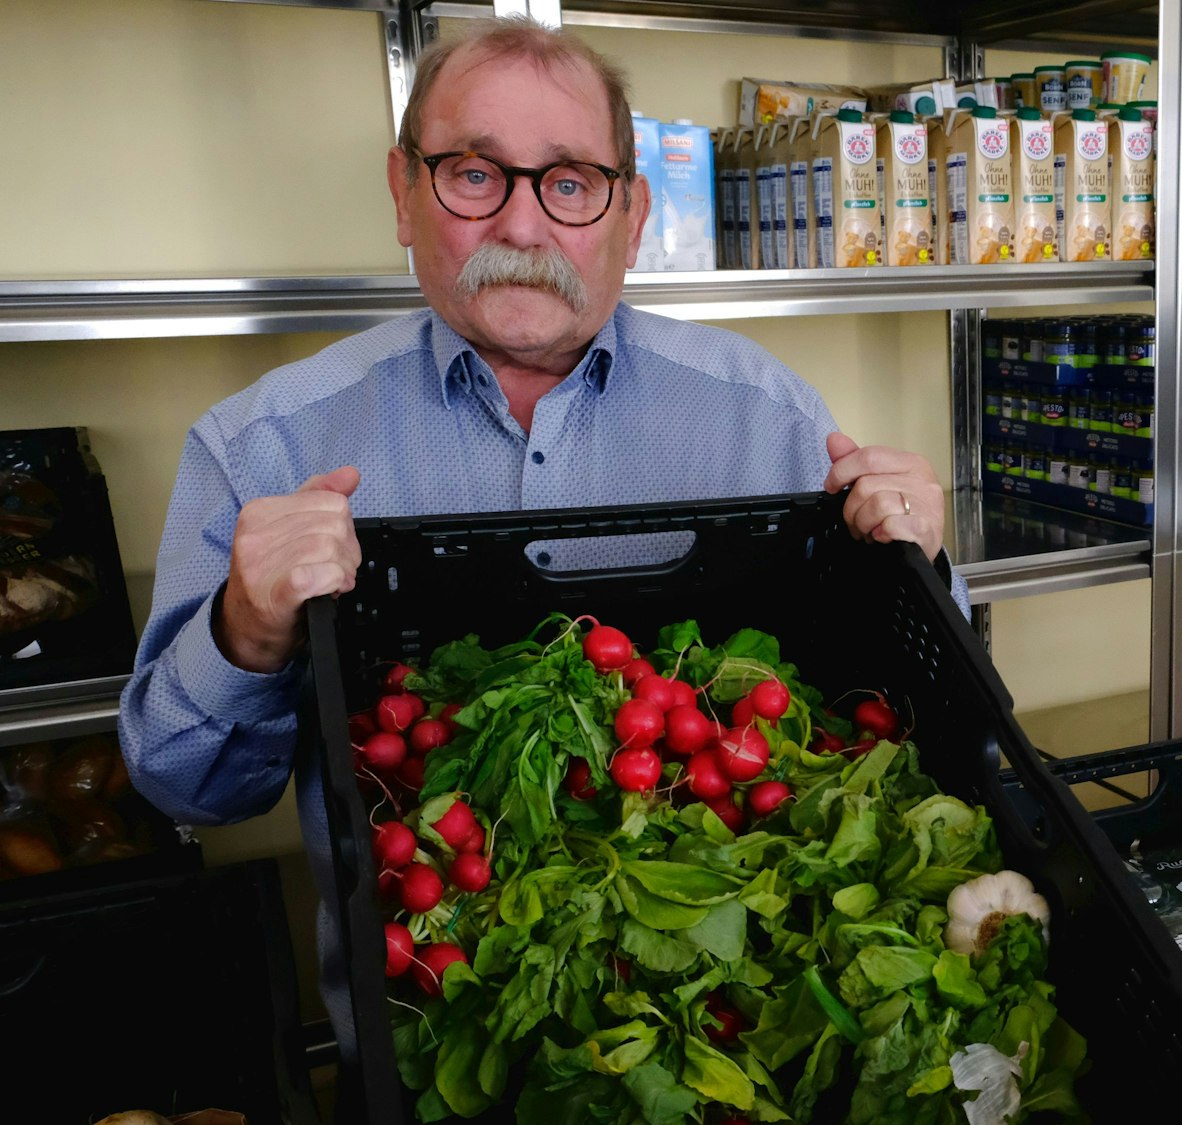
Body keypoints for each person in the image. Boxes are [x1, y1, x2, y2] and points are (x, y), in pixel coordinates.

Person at [117, 16, 958, 1053]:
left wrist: (916, 567)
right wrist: (246, 628)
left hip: (728, 1020)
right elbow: (181, 785)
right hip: (433, 1028)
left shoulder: (767, 416)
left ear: (631, 211)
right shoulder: (264, 444)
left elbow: (916, 723)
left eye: (568, 180)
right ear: (403, 193)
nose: (521, 225)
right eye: (474, 173)